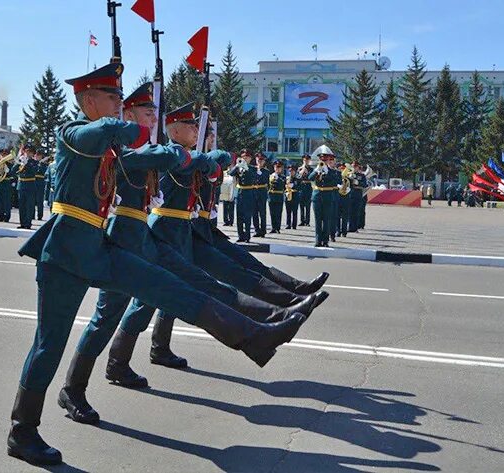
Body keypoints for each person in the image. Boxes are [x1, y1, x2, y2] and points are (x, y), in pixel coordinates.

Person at [6, 62, 315, 467]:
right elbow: (113, 136)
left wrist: (173, 149)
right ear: (87, 100)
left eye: (121, 97)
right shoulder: (72, 134)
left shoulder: (115, 148)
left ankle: (256, 335)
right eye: (112, 96)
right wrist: (139, 133)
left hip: (102, 248)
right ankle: (22, 431)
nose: (118, 102)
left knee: (172, 288)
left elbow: (151, 154)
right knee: (49, 345)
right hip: (64, 254)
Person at [57, 82, 327, 427]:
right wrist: (196, 156)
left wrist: (206, 157)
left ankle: (265, 323)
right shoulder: (125, 149)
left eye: (155, 112)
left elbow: (194, 164)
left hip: (147, 237)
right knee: (108, 315)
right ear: (129, 115)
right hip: (127, 237)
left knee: (188, 289)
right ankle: (76, 386)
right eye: (146, 112)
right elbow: (163, 160)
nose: (152, 117)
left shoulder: (143, 146)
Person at [309, 145, 340, 247]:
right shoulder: (317, 169)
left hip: (328, 197)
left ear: (328, 161)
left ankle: (325, 241)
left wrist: (327, 171)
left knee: (326, 220)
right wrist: (316, 170)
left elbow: (336, 181)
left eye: (325, 160)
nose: (323, 162)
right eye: (322, 160)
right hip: (317, 197)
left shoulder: (333, 172)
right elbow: (310, 178)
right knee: (318, 220)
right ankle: (318, 240)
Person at [229, 149, 257, 242]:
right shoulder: (239, 167)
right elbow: (231, 173)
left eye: (247, 157)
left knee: (247, 216)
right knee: (239, 216)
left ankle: (247, 236)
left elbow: (253, 177)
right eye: (243, 157)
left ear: (250, 158)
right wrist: (237, 166)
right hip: (240, 193)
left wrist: (246, 168)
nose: (245, 158)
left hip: (249, 193)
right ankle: (240, 236)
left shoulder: (253, 168)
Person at [16, 146, 38, 229]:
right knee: (21, 206)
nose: (27, 153)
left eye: (29, 152)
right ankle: (22, 223)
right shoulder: (21, 161)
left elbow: (34, 171)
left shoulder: (34, 162)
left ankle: (28, 223)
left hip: (30, 185)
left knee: (29, 206)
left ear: (32, 154)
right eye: (26, 152)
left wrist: (27, 164)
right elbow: (13, 171)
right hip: (21, 185)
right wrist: (18, 162)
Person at [0, 150, 15, 223]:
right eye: (2, 155)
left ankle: (7, 217)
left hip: (6, 184)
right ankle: (1, 217)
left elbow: (13, 173)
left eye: (5, 155)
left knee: (6, 202)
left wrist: (8, 171)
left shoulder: (10, 165)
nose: (3, 157)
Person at [252, 152, 270, 237]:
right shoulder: (252, 169)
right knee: (254, 212)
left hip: (262, 192)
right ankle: (256, 230)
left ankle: (263, 230)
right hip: (254, 192)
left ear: (264, 161)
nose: (259, 162)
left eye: (261, 160)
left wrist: (260, 171)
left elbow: (266, 181)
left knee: (262, 213)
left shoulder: (266, 171)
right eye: (258, 160)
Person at [267, 160, 285, 233]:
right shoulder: (270, 176)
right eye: (276, 167)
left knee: (278, 213)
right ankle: (273, 228)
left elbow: (283, 185)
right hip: (271, 196)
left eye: (279, 167)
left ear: (281, 168)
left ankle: (277, 228)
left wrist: (277, 177)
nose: (277, 169)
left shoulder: (283, 177)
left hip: (279, 196)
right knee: (272, 213)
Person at [336, 163, 352, 238]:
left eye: (344, 169)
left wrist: (348, 189)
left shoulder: (349, 180)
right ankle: (338, 231)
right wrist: (338, 186)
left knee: (345, 216)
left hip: (346, 199)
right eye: (341, 169)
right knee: (337, 216)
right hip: (338, 198)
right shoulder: (336, 178)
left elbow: (352, 187)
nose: (343, 171)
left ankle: (344, 232)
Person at [297, 154, 313, 226]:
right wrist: (301, 172)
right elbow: (297, 178)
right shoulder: (299, 168)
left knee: (308, 205)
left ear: (309, 160)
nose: (305, 161)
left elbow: (312, 178)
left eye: (307, 160)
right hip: (301, 187)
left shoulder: (311, 169)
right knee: (301, 205)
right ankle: (302, 220)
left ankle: (307, 221)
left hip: (308, 187)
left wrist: (307, 172)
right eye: (304, 160)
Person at [34, 150, 49, 220]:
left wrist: (40, 164)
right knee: (32, 200)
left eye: (38, 156)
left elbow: (44, 172)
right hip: (33, 182)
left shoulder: (44, 164)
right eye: (36, 155)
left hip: (40, 183)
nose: (36, 157)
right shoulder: (33, 163)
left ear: (41, 156)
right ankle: (31, 215)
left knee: (39, 200)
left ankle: (40, 215)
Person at [285, 163, 300, 229]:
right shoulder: (286, 178)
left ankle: (294, 225)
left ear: (295, 171)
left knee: (294, 211)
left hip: (295, 195)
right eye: (290, 171)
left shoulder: (297, 179)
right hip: (288, 195)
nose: (291, 172)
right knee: (288, 211)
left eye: (293, 171)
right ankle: (288, 224)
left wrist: (294, 185)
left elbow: (300, 187)